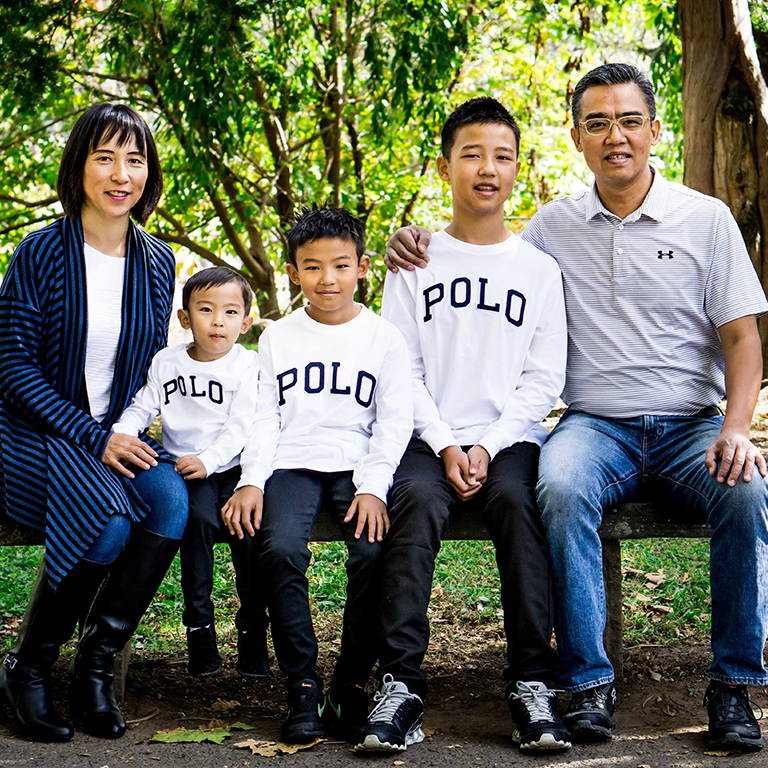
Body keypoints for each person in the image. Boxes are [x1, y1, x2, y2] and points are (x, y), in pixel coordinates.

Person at [385, 63, 768, 753]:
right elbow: (481, 254)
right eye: (597, 123)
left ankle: (734, 686)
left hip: (693, 425)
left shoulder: (705, 220)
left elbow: (742, 337)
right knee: (557, 486)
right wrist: (409, 240)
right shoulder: (551, 230)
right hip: (596, 424)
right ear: (576, 138)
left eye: (628, 122)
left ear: (654, 130)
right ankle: (586, 683)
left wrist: (736, 427)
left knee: (747, 493)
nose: (614, 136)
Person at [355, 98, 568, 754]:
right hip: (427, 434)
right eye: (472, 155)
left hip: (509, 436)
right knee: (413, 500)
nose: (487, 169)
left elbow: (543, 379)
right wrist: (448, 442)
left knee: (517, 499)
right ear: (445, 166)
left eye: (502, 157)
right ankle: (400, 684)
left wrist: (487, 444)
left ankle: (533, 683)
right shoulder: (414, 262)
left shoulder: (537, 269)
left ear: (519, 169)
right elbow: (401, 368)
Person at [0, 103, 188, 742]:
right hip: (35, 432)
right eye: (104, 157)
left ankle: (95, 669)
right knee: (105, 524)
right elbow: (13, 368)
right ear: (78, 166)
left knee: (168, 502)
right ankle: (27, 670)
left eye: (134, 160)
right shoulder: (41, 252)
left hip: (112, 431)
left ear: (148, 173)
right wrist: (92, 435)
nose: (120, 174)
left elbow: (152, 369)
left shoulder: (158, 260)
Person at [222, 207, 413, 744]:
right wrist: (252, 479)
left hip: (357, 465)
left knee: (374, 553)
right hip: (293, 461)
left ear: (362, 267)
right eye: (312, 267)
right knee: (279, 548)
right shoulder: (279, 338)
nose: (327, 280)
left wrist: (374, 488)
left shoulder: (384, 338)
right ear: (294, 271)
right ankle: (302, 686)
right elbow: (265, 417)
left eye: (340, 266)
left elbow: (393, 423)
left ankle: (351, 685)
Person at [112, 266, 270, 679]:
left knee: (248, 533)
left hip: (232, 468)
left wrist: (211, 460)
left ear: (245, 321)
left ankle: (253, 631)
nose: (218, 321)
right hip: (187, 472)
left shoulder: (246, 365)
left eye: (230, 312)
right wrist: (122, 432)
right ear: (185, 318)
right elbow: (144, 405)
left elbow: (242, 425)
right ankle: (200, 629)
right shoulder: (166, 363)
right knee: (196, 524)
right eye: (206, 310)